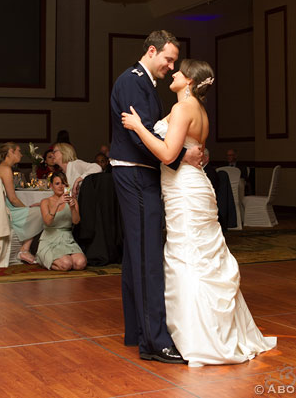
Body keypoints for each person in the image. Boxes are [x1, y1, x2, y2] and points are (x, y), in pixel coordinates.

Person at [122, 58, 276, 367]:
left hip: (184, 190)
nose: (174, 72)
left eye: (179, 71)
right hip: (195, 187)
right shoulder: (199, 111)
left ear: (190, 80)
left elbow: (168, 154)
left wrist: (139, 127)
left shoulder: (183, 109)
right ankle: (215, 330)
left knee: (188, 257)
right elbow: (188, 149)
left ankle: (198, 337)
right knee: (204, 258)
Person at [110, 30, 202, 365]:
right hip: (135, 172)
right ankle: (155, 342)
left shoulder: (143, 82)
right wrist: (178, 158)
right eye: (169, 59)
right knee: (148, 254)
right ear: (152, 51)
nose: (171, 66)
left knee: (138, 254)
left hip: (136, 172)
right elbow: (141, 136)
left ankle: (137, 331)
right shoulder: (134, 81)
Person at [0, 142, 43, 264]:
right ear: (11, 152)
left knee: (36, 210)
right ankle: (24, 250)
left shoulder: (1, 167)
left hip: (4, 206)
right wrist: (26, 208)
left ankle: (24, 250)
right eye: (19, 151)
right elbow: (13, 199)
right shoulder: (5, 169)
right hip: (7, 210)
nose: (21, 155)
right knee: (39, 211)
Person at [36, 172, 86, 271]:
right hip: (49, 240)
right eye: (57, 184)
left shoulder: (73, 200)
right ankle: (43, 259)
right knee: (66, 264)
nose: (60, 186)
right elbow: (48, 222)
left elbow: (76, 222)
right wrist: (57, 203)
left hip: (67, 239)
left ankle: (52, 260)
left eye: (63, 183)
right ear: (51, 186)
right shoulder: (45, 202)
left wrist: (72, 208)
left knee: (80, 264)